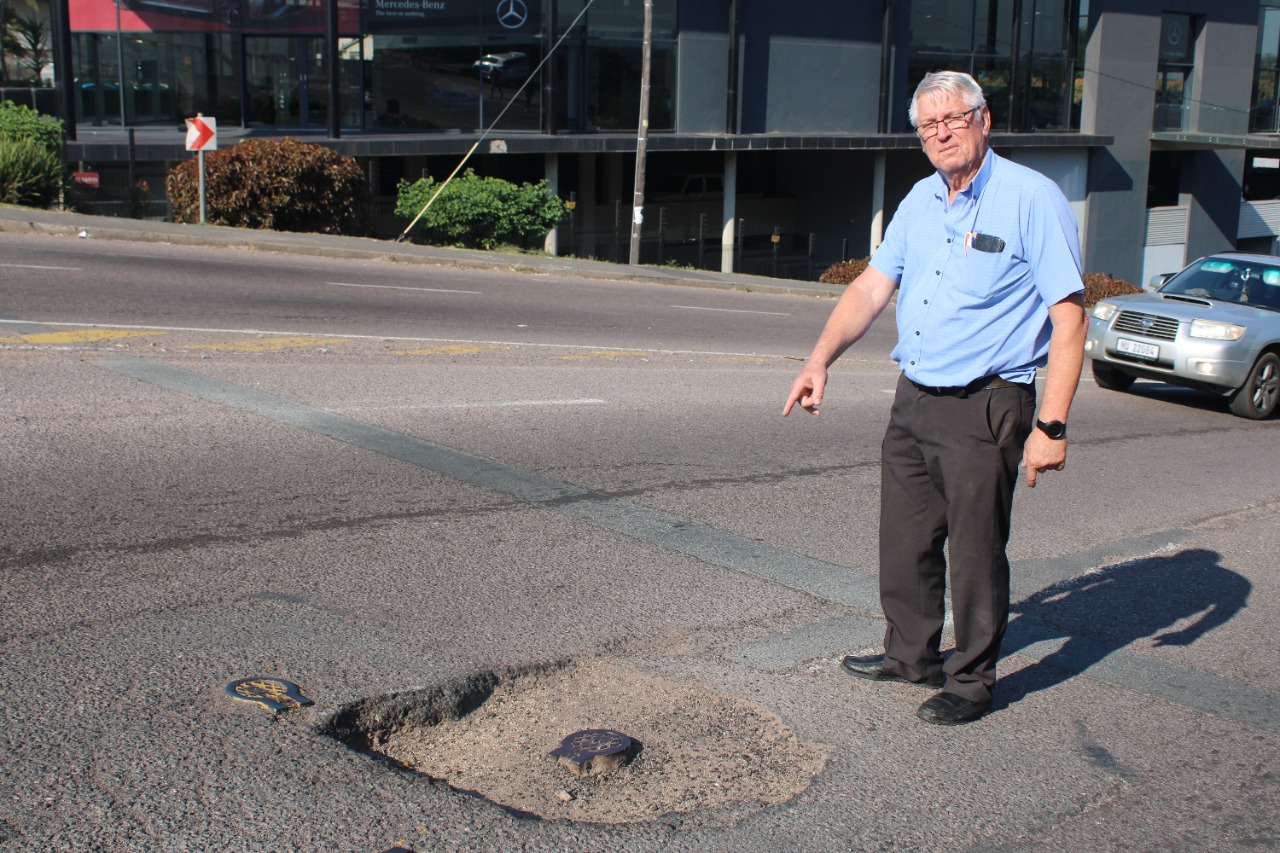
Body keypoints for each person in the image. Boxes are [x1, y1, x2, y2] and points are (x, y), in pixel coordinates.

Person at [782, 70, 1087, 726]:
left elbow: (1069, 318)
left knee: (975, 552)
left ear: (984, 119)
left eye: (952, 118)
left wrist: (1052, 426)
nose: (941, 133)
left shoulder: (1031, 198)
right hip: (915, 396)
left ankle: (971, 681)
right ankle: (910, 655)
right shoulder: (920, 199)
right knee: (906, 538)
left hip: (986, 401)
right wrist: (818, 359)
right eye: (928, 126)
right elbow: (870, 287)